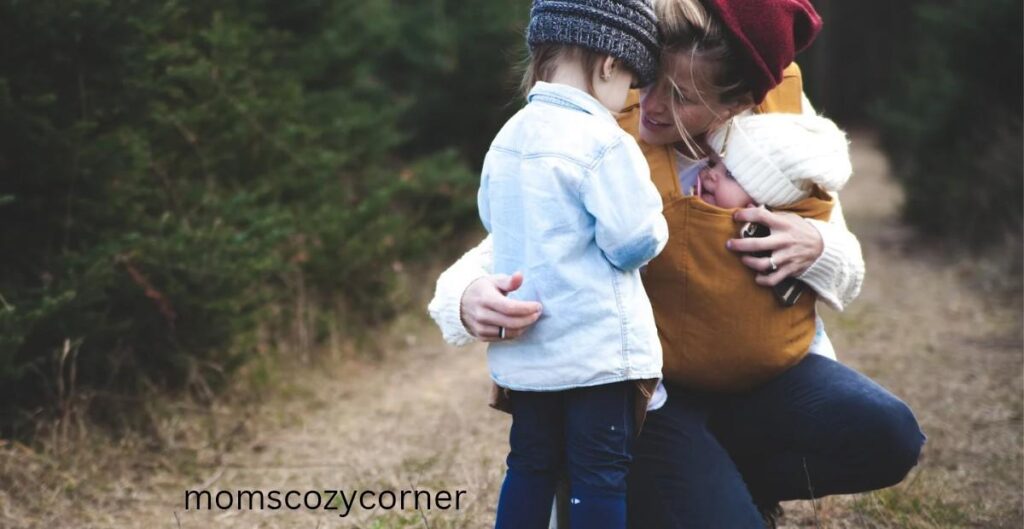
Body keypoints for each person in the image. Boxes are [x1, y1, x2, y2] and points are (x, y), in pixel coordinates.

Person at [428, 0, 925, 527]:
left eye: (683, 97)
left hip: (761, 383)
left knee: (889, 435)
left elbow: (848, 268)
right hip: (651, 399)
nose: (653, 106)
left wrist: (818, 247)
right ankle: (680, 487)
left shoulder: (783, 140)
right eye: (650, 81)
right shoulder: (600, 130)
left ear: (737, 104)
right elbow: (514, 234)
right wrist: (462, 298)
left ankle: (723, 482)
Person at [479, 1, 667, 528]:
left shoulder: (508, 137)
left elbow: (492, 218)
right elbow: (633, 241)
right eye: (631, 79)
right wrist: (656, 220)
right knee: (599, 474)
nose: (631, 95)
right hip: (596, 354)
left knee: (530, 465)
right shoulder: (603, 140)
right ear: (609, 63)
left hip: (531, 355)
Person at [655, 112, 853, 393]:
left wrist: (821, 247)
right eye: (712, 163)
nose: (709, 174)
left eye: (730, 175)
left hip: (784, 365)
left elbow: (848, 275)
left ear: (762, 202)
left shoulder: (783, 227)